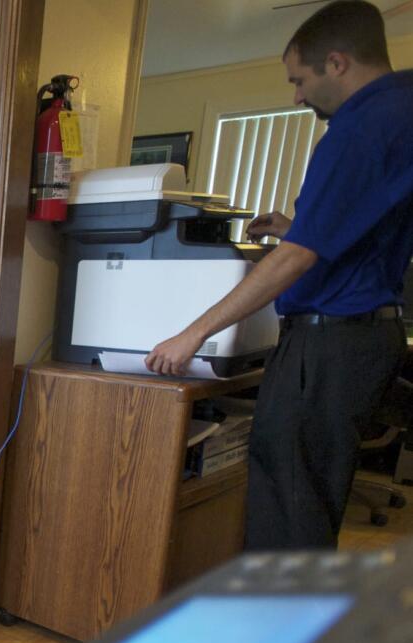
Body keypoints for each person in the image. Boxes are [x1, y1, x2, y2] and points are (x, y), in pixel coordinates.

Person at [145, 0, 412, 550]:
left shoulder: (361, 127)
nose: (296, 96)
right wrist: (301, 225)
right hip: (363, 333)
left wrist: (194, 333)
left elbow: (296, 258)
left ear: (337, 62)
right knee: (309, 496)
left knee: (288, 501)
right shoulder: (403, 111)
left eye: (299, 80)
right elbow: (368, 225)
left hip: (330, 337)